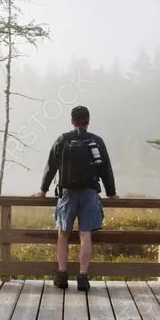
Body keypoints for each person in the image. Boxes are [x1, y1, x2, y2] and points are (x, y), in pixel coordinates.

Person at [34, 105, 117, 291]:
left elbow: (51, 166)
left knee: (63, 234)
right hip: (89, 193)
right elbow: (106, 169)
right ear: (88, 121)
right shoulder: (96, 141)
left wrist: (43, 190)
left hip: (67, 193)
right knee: (85, 234)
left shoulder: (63, 140)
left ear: (72, 122)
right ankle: (82, 276)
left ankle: (62, 274)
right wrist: (111, 193)